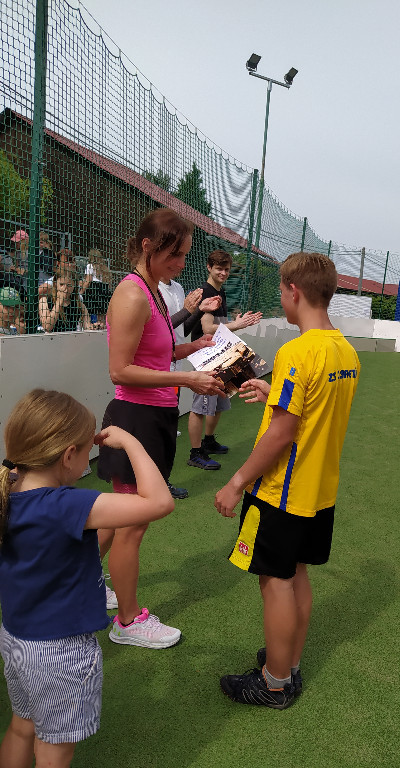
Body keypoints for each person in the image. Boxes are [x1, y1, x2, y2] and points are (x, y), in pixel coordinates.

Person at [215, 251, 360, 709]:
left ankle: (274, 683)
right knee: (296, 574)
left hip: (281, 491)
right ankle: (288, 665)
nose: (281, 298)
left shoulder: (297, 351)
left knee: (274, 580)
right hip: (319, 490)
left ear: (294, 291)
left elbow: (282, 433)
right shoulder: (345, 350)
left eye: (281, 291)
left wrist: (236, 481)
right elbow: (312, 407)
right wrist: (272, 390)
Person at [0, 389, 174, 768]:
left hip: (16, 638)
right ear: (68, 456)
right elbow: (160, 502)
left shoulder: (8, 489)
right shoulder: (66, 505)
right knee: (54, 749)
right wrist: (131, 442)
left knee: (22, 727)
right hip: (58, 652)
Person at [96, 208, 225, 649]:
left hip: (153, 417)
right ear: (148, 246)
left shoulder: (152, 291)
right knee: (132, 524)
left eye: (185, 255)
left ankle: (82, 581)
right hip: (135, 418)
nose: (181, 264)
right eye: (175, 254)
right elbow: (120, 370)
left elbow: (156, 353)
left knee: (117, 518)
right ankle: (128, 621)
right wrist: (187, 380)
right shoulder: (132, 294)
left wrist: (196, 347)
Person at [187, 249, 262, 470]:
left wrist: (234, 323)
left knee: (220, 398)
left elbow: (219, 324)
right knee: (200, 406)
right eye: (219, 269)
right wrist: (237, 325)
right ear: (209, 267)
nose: (223, 273)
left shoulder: (220, 291)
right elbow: (207, 328)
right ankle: (195, 452)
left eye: (227, 269)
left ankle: (208, 441)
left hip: (220, 354)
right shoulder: (206, 292)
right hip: (205, 356)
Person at [158, 276, 222, 498]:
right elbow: (158, 328)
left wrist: (197, 311)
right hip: (156, 370)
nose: (181, 264)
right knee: (157, 430)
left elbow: (180, 331)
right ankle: (153, 485)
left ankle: (162, 482)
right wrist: (187, 310)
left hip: (174, 364)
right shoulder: (146, 288)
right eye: (176, 258)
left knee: (168, 427)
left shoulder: (177, 287)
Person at [39, 264, 94, 332]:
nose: (65, 289)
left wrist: (94, 327)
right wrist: (59, 302)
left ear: (74, 286)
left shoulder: (79, 304)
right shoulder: (44, 300)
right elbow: (47, 327)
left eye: (69, 285)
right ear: (55, 283)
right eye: (61, 284)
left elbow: (87, 327)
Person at [81, 249, 113, 325]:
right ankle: (102, 325)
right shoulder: (104, 268)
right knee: (101, 311)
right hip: (103, 288)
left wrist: (81, 291)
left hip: (93, 288)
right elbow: (108, 282)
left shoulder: (90, 266)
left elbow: (88, 280)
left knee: (91, 308)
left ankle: (92, 324)